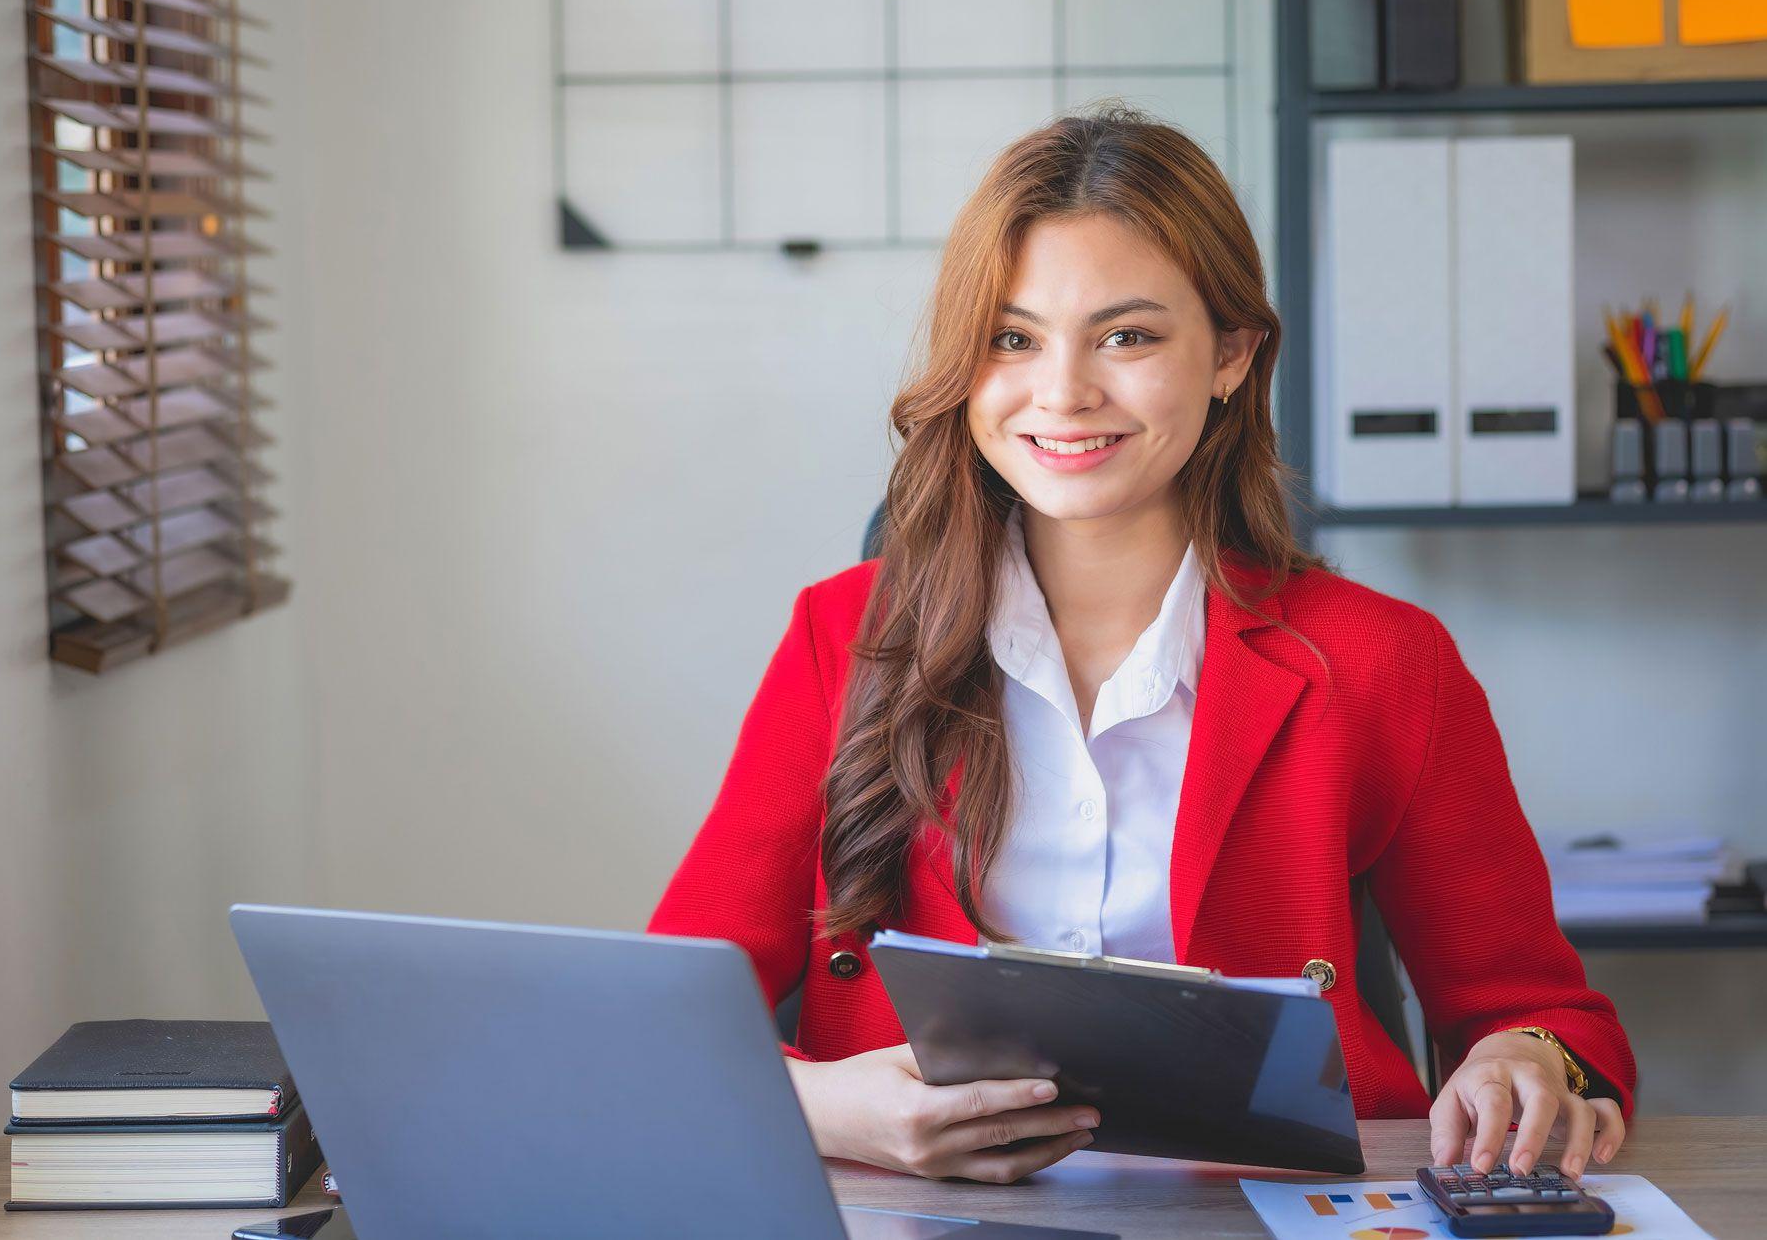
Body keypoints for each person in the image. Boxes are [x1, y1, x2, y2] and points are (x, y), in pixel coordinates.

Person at [649, 102, 1634, 1186]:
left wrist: (1522, 1059)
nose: (1063, 392)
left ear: (1229, 354)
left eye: (1126, 335)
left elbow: (1541, 1012)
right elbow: (670, 1011)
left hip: (1281, 1209)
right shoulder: (844, 638)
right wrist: (839, 1107)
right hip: (912, 1209)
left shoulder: (1383, 662)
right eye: (1011, 339)